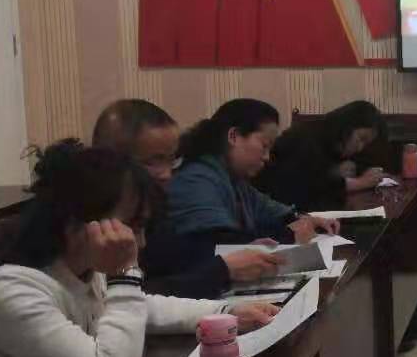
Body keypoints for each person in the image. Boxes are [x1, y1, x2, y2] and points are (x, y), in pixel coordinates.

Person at [0, 141, 277, 357]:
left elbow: (144, 306)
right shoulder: (9, 290)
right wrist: (123, 274)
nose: (140, 242)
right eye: (132, 226)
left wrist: (223, 313)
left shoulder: (84, 271)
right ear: (77, 223)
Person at [92, 99, 280, 299]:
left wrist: (239, 250)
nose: (167, 174)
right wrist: (222, 270)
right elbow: (137, 294)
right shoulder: (92, 219)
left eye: (172, 160)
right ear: (110, 160)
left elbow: (175, 262)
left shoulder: (156, 203)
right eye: (153, 161)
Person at [154, 99, 338, 274]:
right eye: (264, 146)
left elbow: (273, 212)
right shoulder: (196, 178)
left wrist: (305, 219)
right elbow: (219, 245)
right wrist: (289, 235)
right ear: (233, 136)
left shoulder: (233, 178)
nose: (267, 157)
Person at [256, 100, 388, 212]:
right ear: (347, 126)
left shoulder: (333, 142)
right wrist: (359, 183)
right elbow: (302, 188)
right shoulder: (307, 139)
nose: (360, 148)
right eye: (361, 138)